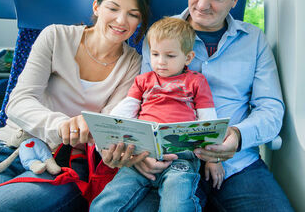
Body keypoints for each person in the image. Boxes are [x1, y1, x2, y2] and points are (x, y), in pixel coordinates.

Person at [97, 0, 294, 211]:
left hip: (235, 162)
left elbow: (271, 109)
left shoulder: (254, 40)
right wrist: (136, 153)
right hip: (166, 160)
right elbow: (142, 101)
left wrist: (236, 136)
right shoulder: (158, 37)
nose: (201, 4)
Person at [0, 0, 150, 211]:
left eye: (133, 15)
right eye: (113, 9)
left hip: (64, 162)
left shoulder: (133, 64)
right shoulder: (55, 36)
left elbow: (108, 125)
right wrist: (62, 125)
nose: (121, 20)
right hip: (8, 146)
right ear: (96, 7)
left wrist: (111, 151)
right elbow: (19, 101)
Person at [92, 17, 223, 211]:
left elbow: (208, 119)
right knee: (106, 203)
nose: (161, 62)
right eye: (155, 54)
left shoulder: (196, 81)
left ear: (188, 57)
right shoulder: (143, 81)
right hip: (141, 154)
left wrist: (213, 158)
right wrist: (105, 132)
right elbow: (125, 110)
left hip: (181, 156)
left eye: (170, 56)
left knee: (177, 203)